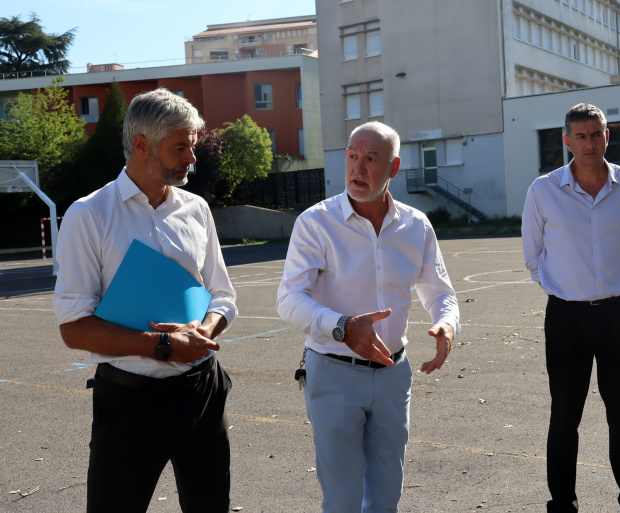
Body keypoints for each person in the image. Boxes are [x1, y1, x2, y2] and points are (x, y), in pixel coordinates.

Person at [53, 88, 238, 513]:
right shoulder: (89, 214)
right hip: (130, 401)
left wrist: (203, 332)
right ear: (141, 145)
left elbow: (223, 295)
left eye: (191, 146)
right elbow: (73, 327)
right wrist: (163, 346)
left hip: (201, 389)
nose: (191, 158)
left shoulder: (197, 210)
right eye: (180, 148)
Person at [277, 121, 460, 512]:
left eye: (371, 159)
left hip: (394, 376)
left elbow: (440, 291)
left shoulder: (415, 225)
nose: (358, 169)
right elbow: (289, 299)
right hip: (333, 372)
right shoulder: (316, 223)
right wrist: (342, 327)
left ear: (393, 169)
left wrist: (447, 323)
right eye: (352, 156)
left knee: (385, 498)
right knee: (341, 499)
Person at [521, 103, 620, 513]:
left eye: (596, 134)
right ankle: (562, 503)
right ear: (567, 141)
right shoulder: (543, 191)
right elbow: (533, 255)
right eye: (581, 136)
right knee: (564, 416)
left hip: (618, 316)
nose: (589, 142)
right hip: (566, 319)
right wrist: (568, 290)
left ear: (607, 137)